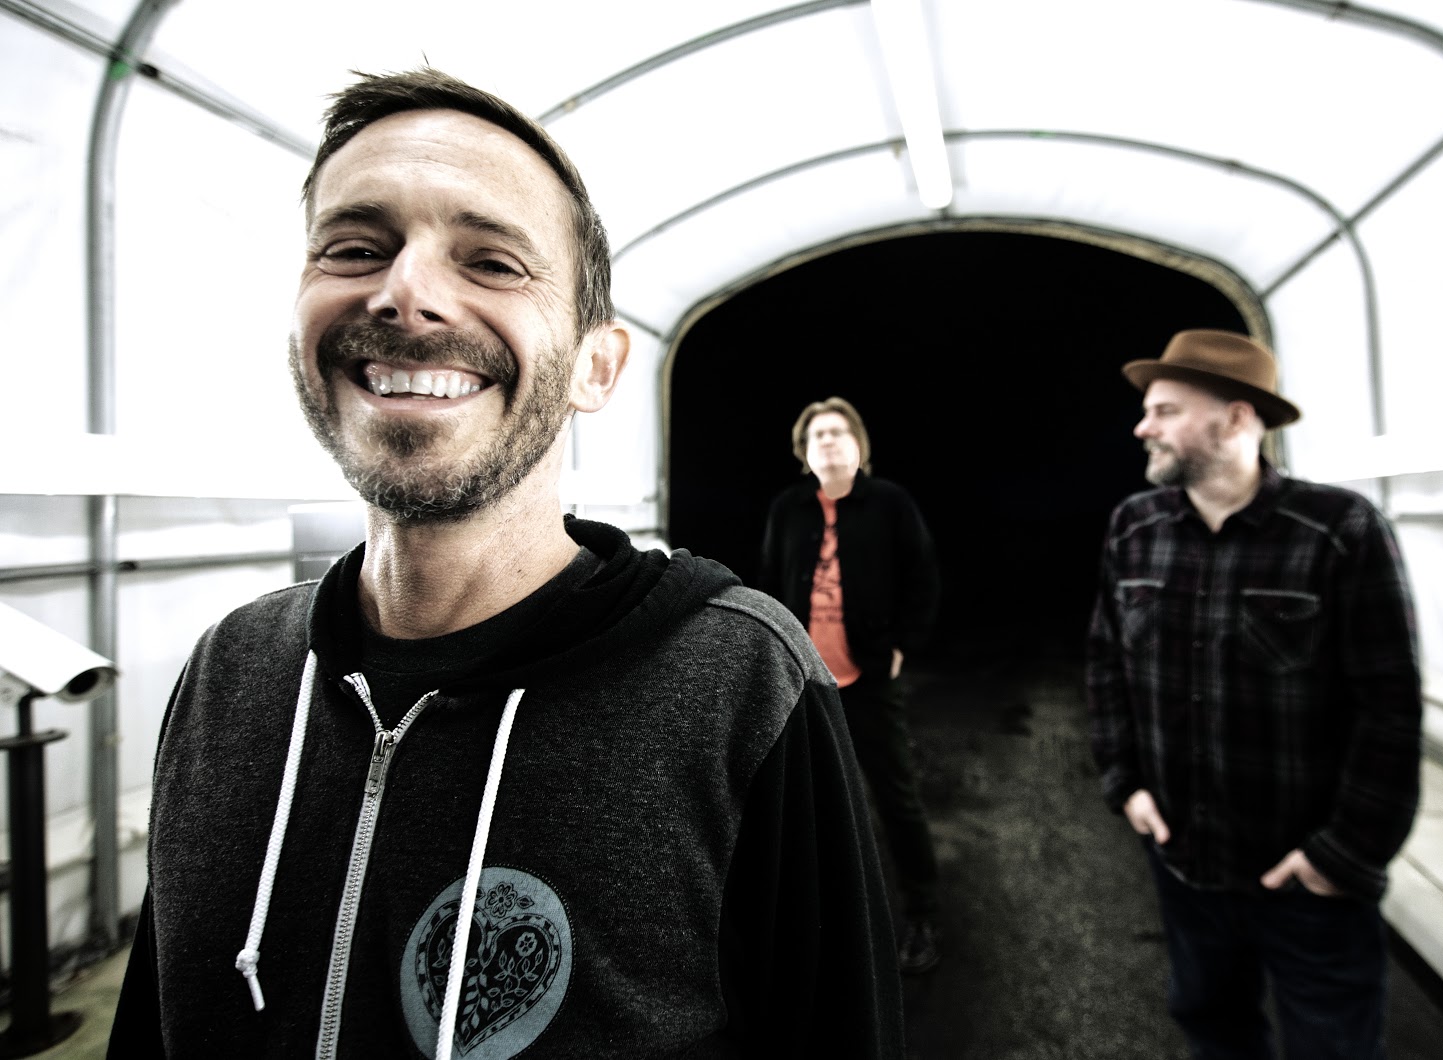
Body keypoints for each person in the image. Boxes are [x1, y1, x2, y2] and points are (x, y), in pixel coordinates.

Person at [108, 69, 902, 1059]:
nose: (405, 292)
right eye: (355, 247)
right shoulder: (233, 669)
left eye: (491, 262)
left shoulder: (738, 688)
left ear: (595, 366)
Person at [1085, 330, 1423, 1059]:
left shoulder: (1338, 530)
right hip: (1183, 861)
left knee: (1332, 1047)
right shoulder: (1135, 527)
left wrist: (1342, 855)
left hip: (1304, 878)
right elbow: (1107, 663)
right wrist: (1125, 782)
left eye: (1166, 411)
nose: (1143, 427)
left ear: (1237, 419)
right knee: (1212, 1025)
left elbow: (1390, 707)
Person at [759, 397, 943, 974]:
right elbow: (769, 581)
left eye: (840, 432)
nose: (829, 441)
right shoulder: (788, 508)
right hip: (804, 680)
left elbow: (923, 577)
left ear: (859, 446)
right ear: (804, 452)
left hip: (868, 677)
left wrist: (902, 645)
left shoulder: (889, 503)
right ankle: (815, 920)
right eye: (818, 435)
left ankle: (923, 914)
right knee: (803, 801)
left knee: (895, 797)